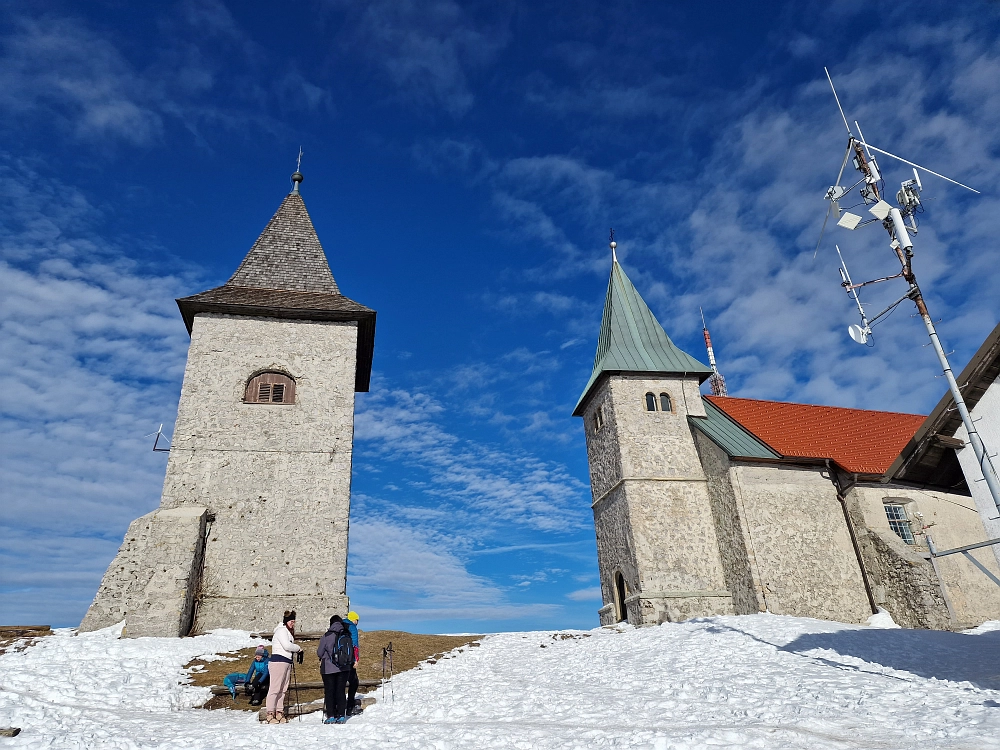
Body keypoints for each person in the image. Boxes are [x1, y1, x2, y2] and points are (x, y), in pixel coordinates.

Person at [265, 610, 302, 724]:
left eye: (293, 621)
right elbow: (287, 646)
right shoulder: (281, 631)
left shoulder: (287, 632)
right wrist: (298, 648)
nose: (293, 623)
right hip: (278, 661)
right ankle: (270, 713)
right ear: (286, 621)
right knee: (275, 688)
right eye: (291, 621)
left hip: (286, 662)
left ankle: (279, 712)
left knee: (283, 689)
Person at [317, 614, 350, 724]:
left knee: (329, 691)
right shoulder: (346, 633)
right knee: (341, 691)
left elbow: (320, 652)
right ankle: (341, 715)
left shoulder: (326, 636)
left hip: (329, 669)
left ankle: (331, 715)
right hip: (344, 668)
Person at [345, 611, 361, 714]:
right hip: (349, 659)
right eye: (357, 620)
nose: (357, 622)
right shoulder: (352, 627)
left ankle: (339, 707)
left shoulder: (340, 625)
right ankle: (350, 707)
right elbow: (354, 644)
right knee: (354, 682)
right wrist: (356, 659)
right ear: (353, 619)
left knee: (340, 684)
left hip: (339, 660)